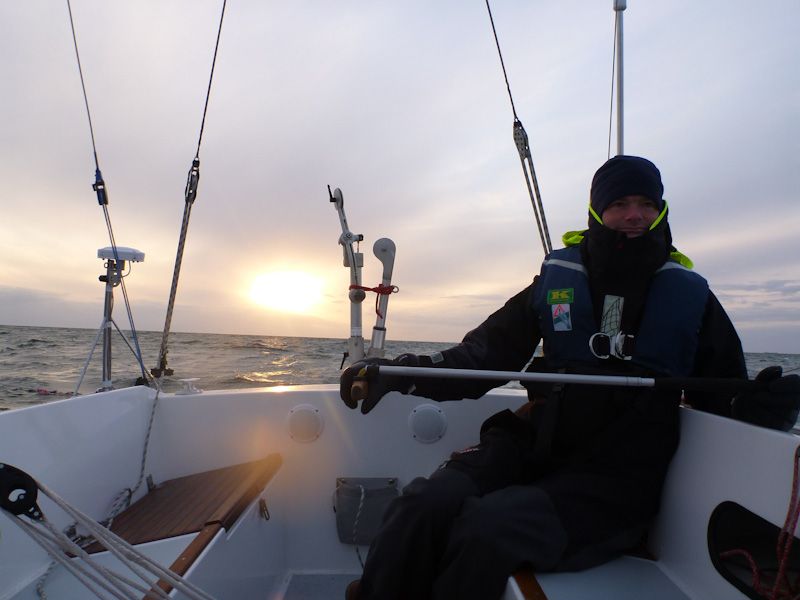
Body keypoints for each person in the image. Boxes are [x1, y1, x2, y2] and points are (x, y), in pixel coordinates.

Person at [339, 155, 800, 600]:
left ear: (661, 212)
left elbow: (726, 392)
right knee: (422, 505)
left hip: (615, 480)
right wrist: (396, 374)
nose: (634, 215)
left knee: (487, 528)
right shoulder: (555, 280)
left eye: (646, 204)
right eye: (619, 204)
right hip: (531, 444)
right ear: (597, 211)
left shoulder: (691, 296)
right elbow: (480, 357)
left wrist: (760, 403)